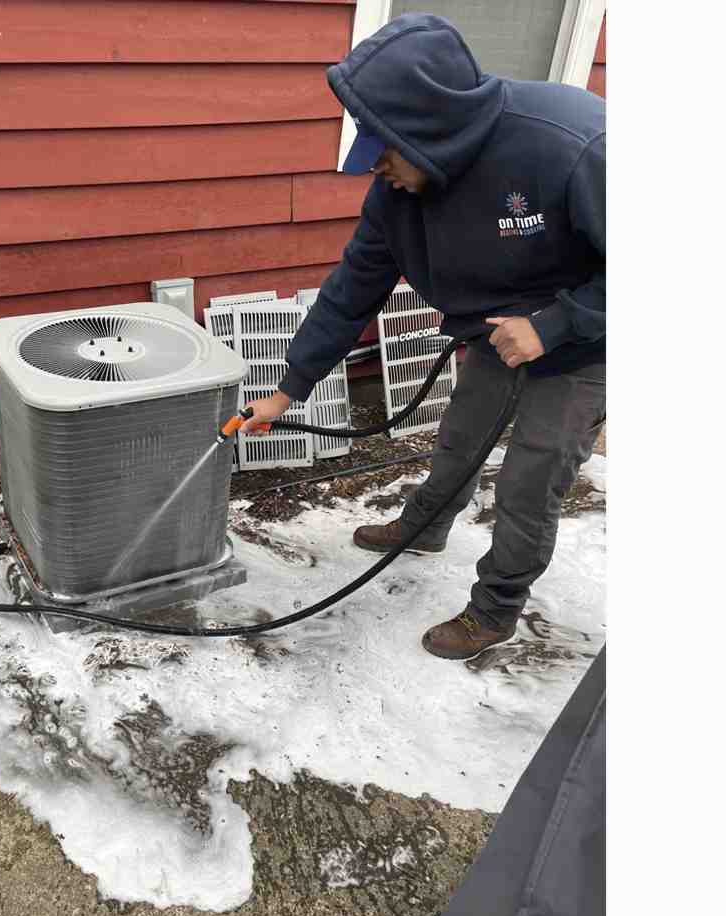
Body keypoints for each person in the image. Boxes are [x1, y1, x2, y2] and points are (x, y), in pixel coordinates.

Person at [242, 13, 606, 661]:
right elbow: (351, 289)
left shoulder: (571, 142)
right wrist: (287, 388)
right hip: (497, 332)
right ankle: (425, 527)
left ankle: (495, 609)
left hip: (587, 336)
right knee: (460, 438)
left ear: (432, 128)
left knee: (529, 481)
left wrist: (553, 326)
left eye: (383, 148)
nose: (374, 166)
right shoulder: (398, 194)